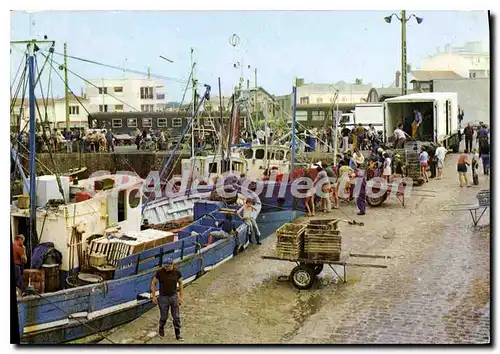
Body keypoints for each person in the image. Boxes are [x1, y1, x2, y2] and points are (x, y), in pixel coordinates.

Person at [151, 259, 184, 340]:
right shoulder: (160, 272)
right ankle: (161, 328)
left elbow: (180, 283)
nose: (166, 268)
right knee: (164, 317)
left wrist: (180, 297)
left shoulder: (177, 272)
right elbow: (153, 282)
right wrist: (154, 296)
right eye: (164, 266)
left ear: (172, 265)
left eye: (167, 266)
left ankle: (178, 334)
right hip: (163, 298)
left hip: (174, 297)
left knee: (176, 317)